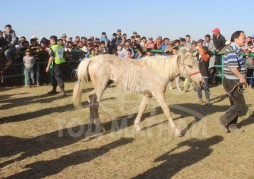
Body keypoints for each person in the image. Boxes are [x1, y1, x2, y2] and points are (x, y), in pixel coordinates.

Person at [219, 31, 247, 133]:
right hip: (232, 81)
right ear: (235, 39)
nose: (245, 40)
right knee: (240, 104)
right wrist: (241, 77)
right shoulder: (232, 49)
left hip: (234, 80)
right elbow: (232, 67)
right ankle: (223, 120)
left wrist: (242, 78)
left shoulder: (237, 49)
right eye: (243, 38)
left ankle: (232, 125)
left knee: (234, 104)